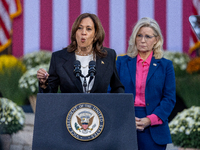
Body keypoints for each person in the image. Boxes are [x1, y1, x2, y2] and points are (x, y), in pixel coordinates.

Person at [116, 17, 176, 150]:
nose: (143, 40)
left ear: (156, 40)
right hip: (124, 121)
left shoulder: (166, 65)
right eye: (139, 35)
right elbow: (112, 92)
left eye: (148, 36)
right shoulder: (121, 62)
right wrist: (127, 116)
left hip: (154, 126)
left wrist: (150, 119)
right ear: (134, 38)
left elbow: (169, 98)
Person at [37, 13, 124, 93]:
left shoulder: (108, 56)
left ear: (96, 35)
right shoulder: (59, 58)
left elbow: (117, 87)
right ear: (75, 33)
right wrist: (44, 84)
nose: (83, 33)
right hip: (70, 109)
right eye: (80, 28)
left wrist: (117, 105)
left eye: (88, 29)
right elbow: (50, 94)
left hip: (99, 109)